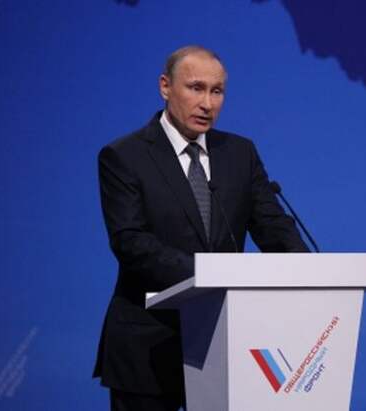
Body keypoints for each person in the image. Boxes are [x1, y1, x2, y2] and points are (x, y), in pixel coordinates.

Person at [93, 45, 309, 411]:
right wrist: (210, 276)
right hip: (148, 346)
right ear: (165, 87)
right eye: (195, 88)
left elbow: (273, 226)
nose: (207, 103)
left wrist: (309, 274)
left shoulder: (239, 153)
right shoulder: (124, 156)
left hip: (227, 342)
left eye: (217, 91)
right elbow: (131, 243)